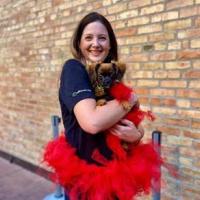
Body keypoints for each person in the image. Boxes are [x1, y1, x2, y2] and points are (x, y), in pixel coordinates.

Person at [44, 12, 162, 200]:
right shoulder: (74, 69)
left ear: (110, 44)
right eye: (88, 38)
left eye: (102, 38)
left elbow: (132, 124)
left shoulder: (111, 76)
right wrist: (131, 98)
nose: (96, 44)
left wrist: (136, 135)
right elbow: (93, 122)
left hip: (117, 176)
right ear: (79, 43)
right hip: (86, 181)